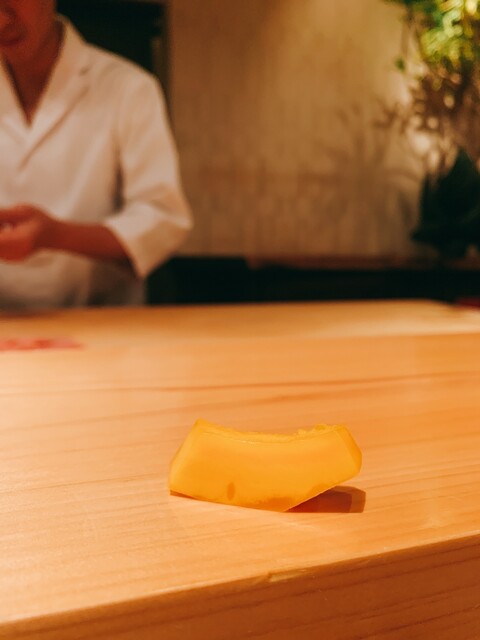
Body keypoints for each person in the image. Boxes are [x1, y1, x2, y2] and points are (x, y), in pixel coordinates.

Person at [0, 0, 192, 310]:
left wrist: (55, 236)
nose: (2, 20)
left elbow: (162, 219)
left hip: (104, 324)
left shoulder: (128, 89)